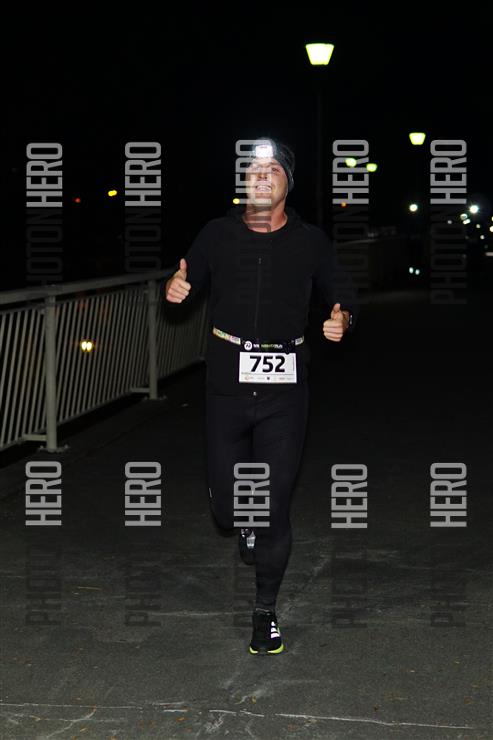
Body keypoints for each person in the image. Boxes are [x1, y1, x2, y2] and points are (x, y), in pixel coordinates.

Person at [165, 137, 359, 654]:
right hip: (227, 383)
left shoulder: (310, 241)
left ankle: (265, 610)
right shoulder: (216, 233)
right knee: (228, 511)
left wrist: (342, 316)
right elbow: (185, 279)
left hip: (285, 388)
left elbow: (342, 289)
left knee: (274, 505)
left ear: (287, 183)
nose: (262, 175)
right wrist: (174, 289)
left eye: (273, 169)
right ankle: (241, 518)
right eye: (253, 169)